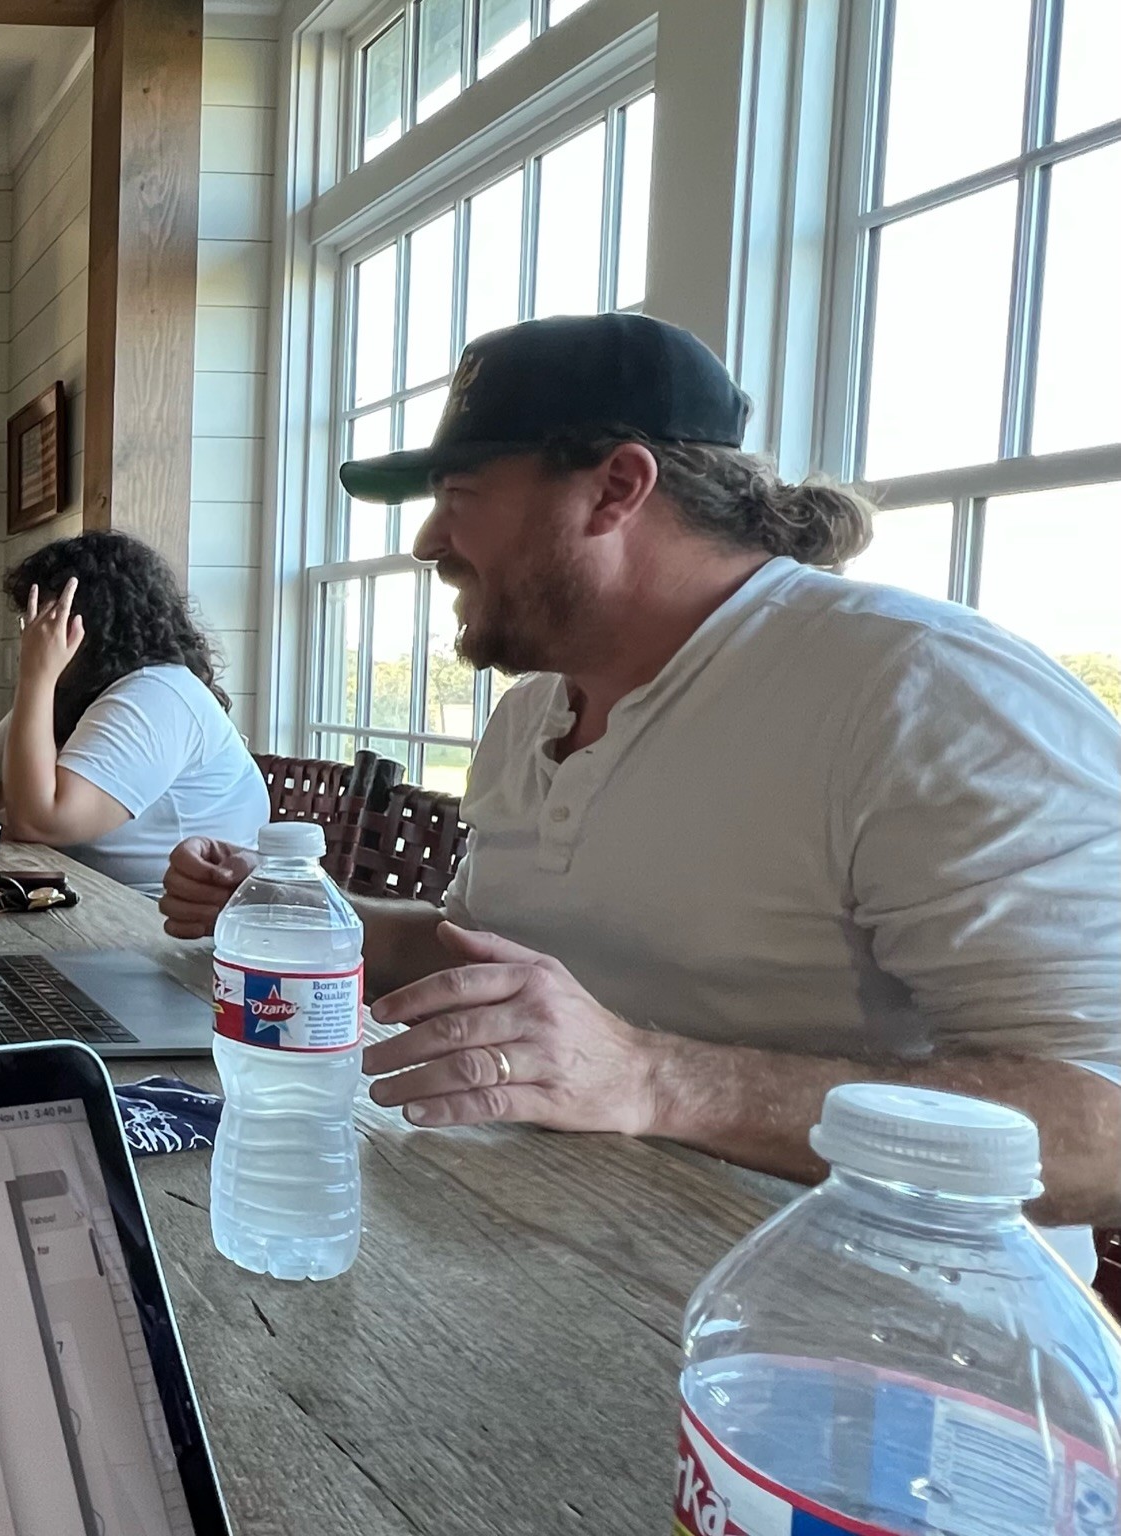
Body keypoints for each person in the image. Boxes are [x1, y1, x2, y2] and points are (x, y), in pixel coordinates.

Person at [159, 313, 1121, 1249]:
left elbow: (1101, 1130)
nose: (428, 541)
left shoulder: (923, 692)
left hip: (855, 1319)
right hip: (526, 1246)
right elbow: (486, 953)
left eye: (459, 493)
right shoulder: (532, 711)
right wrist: (298, 912)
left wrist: (653, 1078)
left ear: (615, 488)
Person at [0, 531, 266, 894]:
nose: (34, 633)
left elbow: (38, 821)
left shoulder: (157, 695)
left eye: (49, 617)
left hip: (155, 912)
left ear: (97, 621)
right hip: (86, 897)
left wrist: (35, 676)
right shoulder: (76, 693)